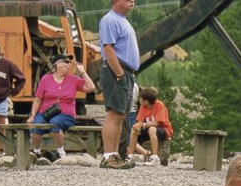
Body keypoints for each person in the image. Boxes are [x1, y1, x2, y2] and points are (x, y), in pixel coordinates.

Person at [27, 54, 95, 161]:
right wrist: (32, 115)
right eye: (66, 62)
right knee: (36, 125)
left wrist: (82, 72)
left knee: (55, 123)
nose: (69, 64)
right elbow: (38, 99)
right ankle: (36, 151)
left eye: (70, 62)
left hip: (65, 114)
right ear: (58, 64)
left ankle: (60, 151)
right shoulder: (46, 79)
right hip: (46, 112)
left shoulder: (73, 80)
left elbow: (91, 87)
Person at [98, 0, 140, 170]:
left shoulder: (123, 20)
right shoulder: (110, 20)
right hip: (117, 71)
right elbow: (108, 49)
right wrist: (120, 74)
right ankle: (108, 155)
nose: (132, 0)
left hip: (126, 72)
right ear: (115, 1)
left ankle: (115, 155)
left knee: (121, 115)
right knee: (114, 113)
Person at [126, 87, 173, 166]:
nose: (139, 100)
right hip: (149, 129)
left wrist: (143, 125)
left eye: (141, 98)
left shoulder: (159, 105)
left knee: (152, 129)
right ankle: (130, 156)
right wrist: (137, 126)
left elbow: (157, 123)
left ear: (146, 101)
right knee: (134, 129)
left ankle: (154, 157)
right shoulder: (142, 107)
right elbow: (140, 121)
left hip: (163, 130)